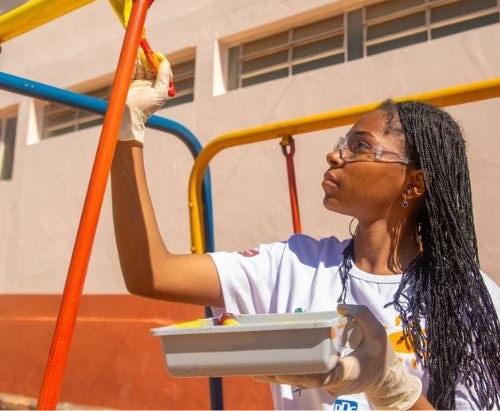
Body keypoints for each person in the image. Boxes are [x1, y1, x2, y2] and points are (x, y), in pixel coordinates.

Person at [111, 52, 500, 410]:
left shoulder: (470, 299)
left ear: (414, 184)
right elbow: (152, 273)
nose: (335, 154)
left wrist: (393, 389)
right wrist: (126, 132)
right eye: (342, 143)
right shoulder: (293, 265)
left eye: (360, 146)